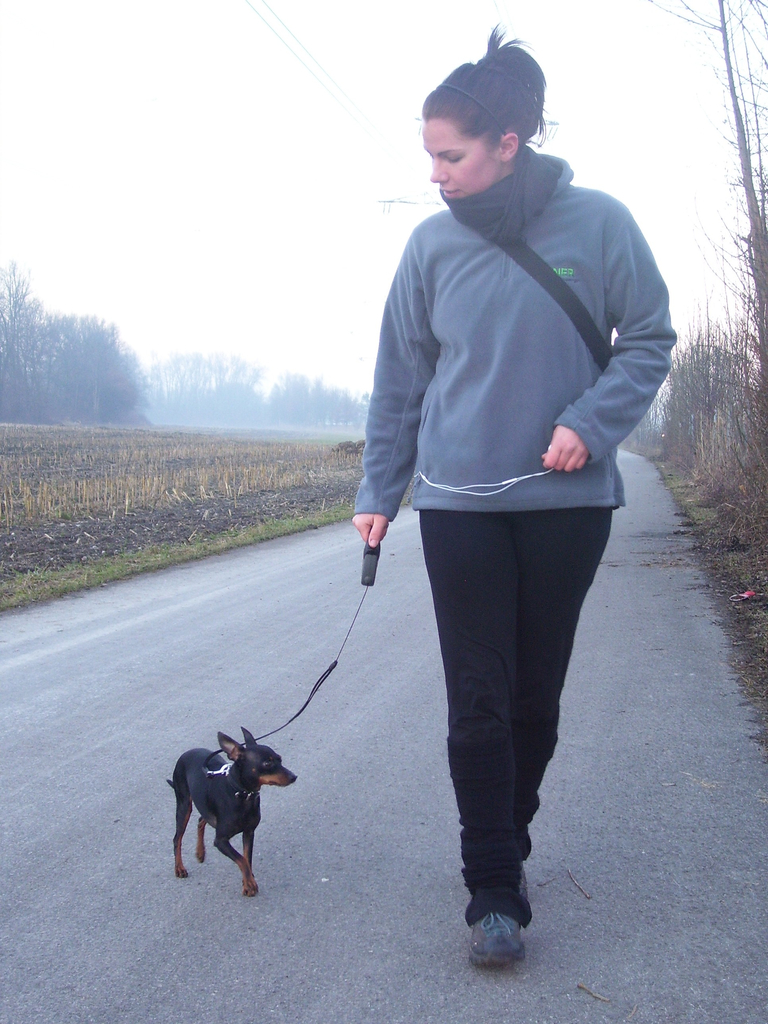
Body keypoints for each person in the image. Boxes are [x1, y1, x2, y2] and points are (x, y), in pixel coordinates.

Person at [353, 28, 675, 968]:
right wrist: (381, 487)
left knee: (535, 697)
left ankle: (509, 827)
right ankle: (493, 885)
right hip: (459, 507)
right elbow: (400, 380)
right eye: (429, 157)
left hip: (567, 508)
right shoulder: (429, 246)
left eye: (450, 156)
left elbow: (649, 338)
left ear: (508, 142)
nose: (434, 175)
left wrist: (593, 421)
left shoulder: (601, 224)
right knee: (478, 699)